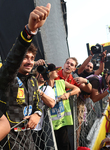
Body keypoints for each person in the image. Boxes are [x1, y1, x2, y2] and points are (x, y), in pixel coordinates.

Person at [0, 3, 51, 149]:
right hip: (9, 142)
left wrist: (37, 114)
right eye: (25, 57)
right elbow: (12, 61)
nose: (29, 61)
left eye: (31, 57)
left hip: (29, 141)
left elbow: (38, 103)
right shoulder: (7, 77)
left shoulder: (33, 81)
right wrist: (29, 31)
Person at [48, 64, 80, 150]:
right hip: (49, 126)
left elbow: (77, 89)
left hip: (62, 123)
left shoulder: (61, 82)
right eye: (54, 70)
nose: (57, 71)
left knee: (65, 146)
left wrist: (68, 94)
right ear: (48, 72)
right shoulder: (42, 87)